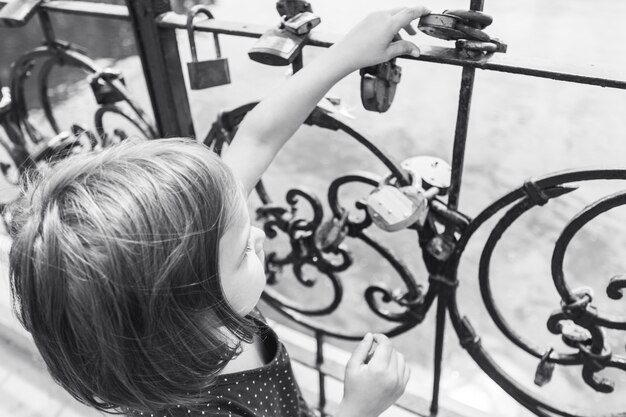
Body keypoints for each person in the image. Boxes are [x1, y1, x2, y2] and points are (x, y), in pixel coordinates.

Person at [8, 6, 430, 417]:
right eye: (245, 251)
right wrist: (357, 409)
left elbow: (257, 138)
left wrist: (347, 54)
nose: (260, 234)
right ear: (185, 303)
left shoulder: (194, 256)